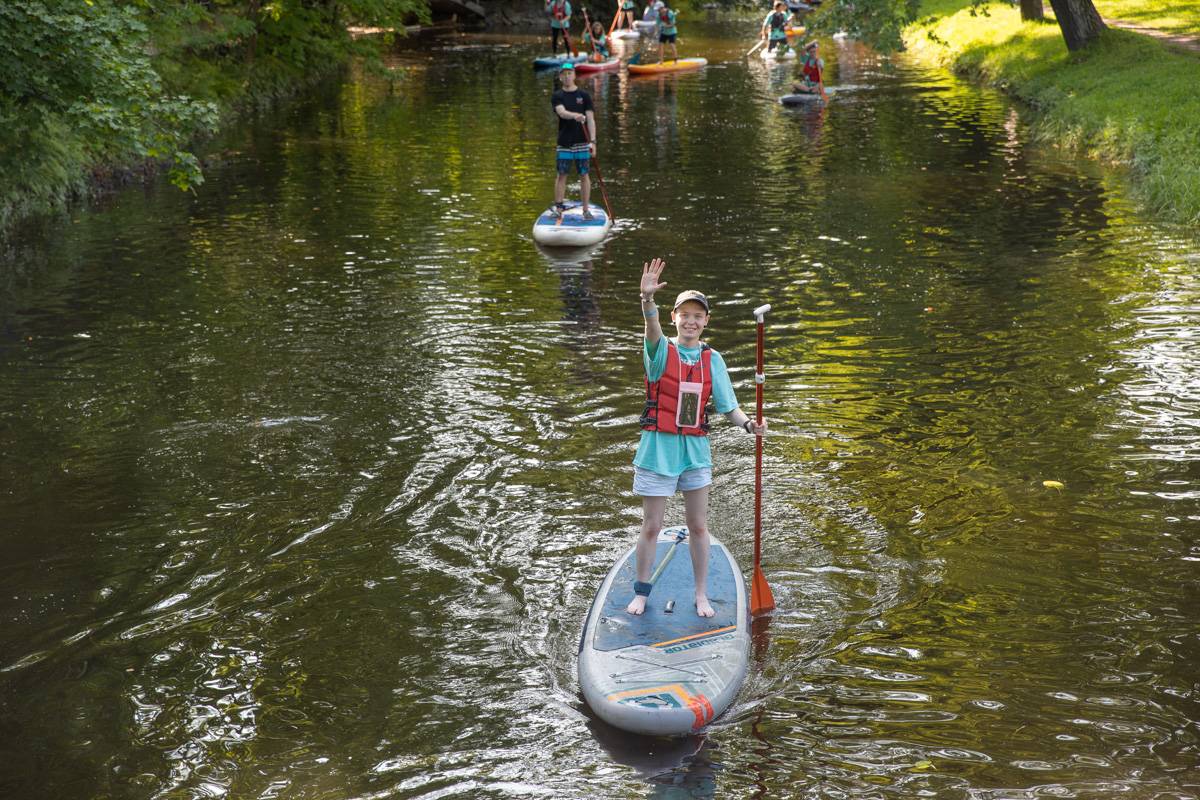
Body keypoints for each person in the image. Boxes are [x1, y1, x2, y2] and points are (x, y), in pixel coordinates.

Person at [628, 258, 768, 618]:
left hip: (694, 451)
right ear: (674, 317)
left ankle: (701, 594)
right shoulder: (660, 351)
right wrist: (647, 301)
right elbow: (652, 330)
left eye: (698, 316)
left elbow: (728, 406)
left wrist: (750, 426)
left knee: (699, 525)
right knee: (653, 526)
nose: (691, 321)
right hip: (659, 449)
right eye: (684, 314)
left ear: (706, 321)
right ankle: (642, 591)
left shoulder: (713, 358)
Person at [551, 62, 596, 218]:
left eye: (570, 73)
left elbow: (590, 119)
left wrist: (593, 141)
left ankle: (585, 210)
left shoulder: (584, 96)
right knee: (562, 174)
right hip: (564, 143)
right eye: (564, 74)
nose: (567, 76)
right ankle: (558, 208)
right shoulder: (557, 96)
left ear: (575, 75)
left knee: (584, 175)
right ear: (560, 77)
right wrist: (575, 115)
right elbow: (561, 112)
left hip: (583, 142)